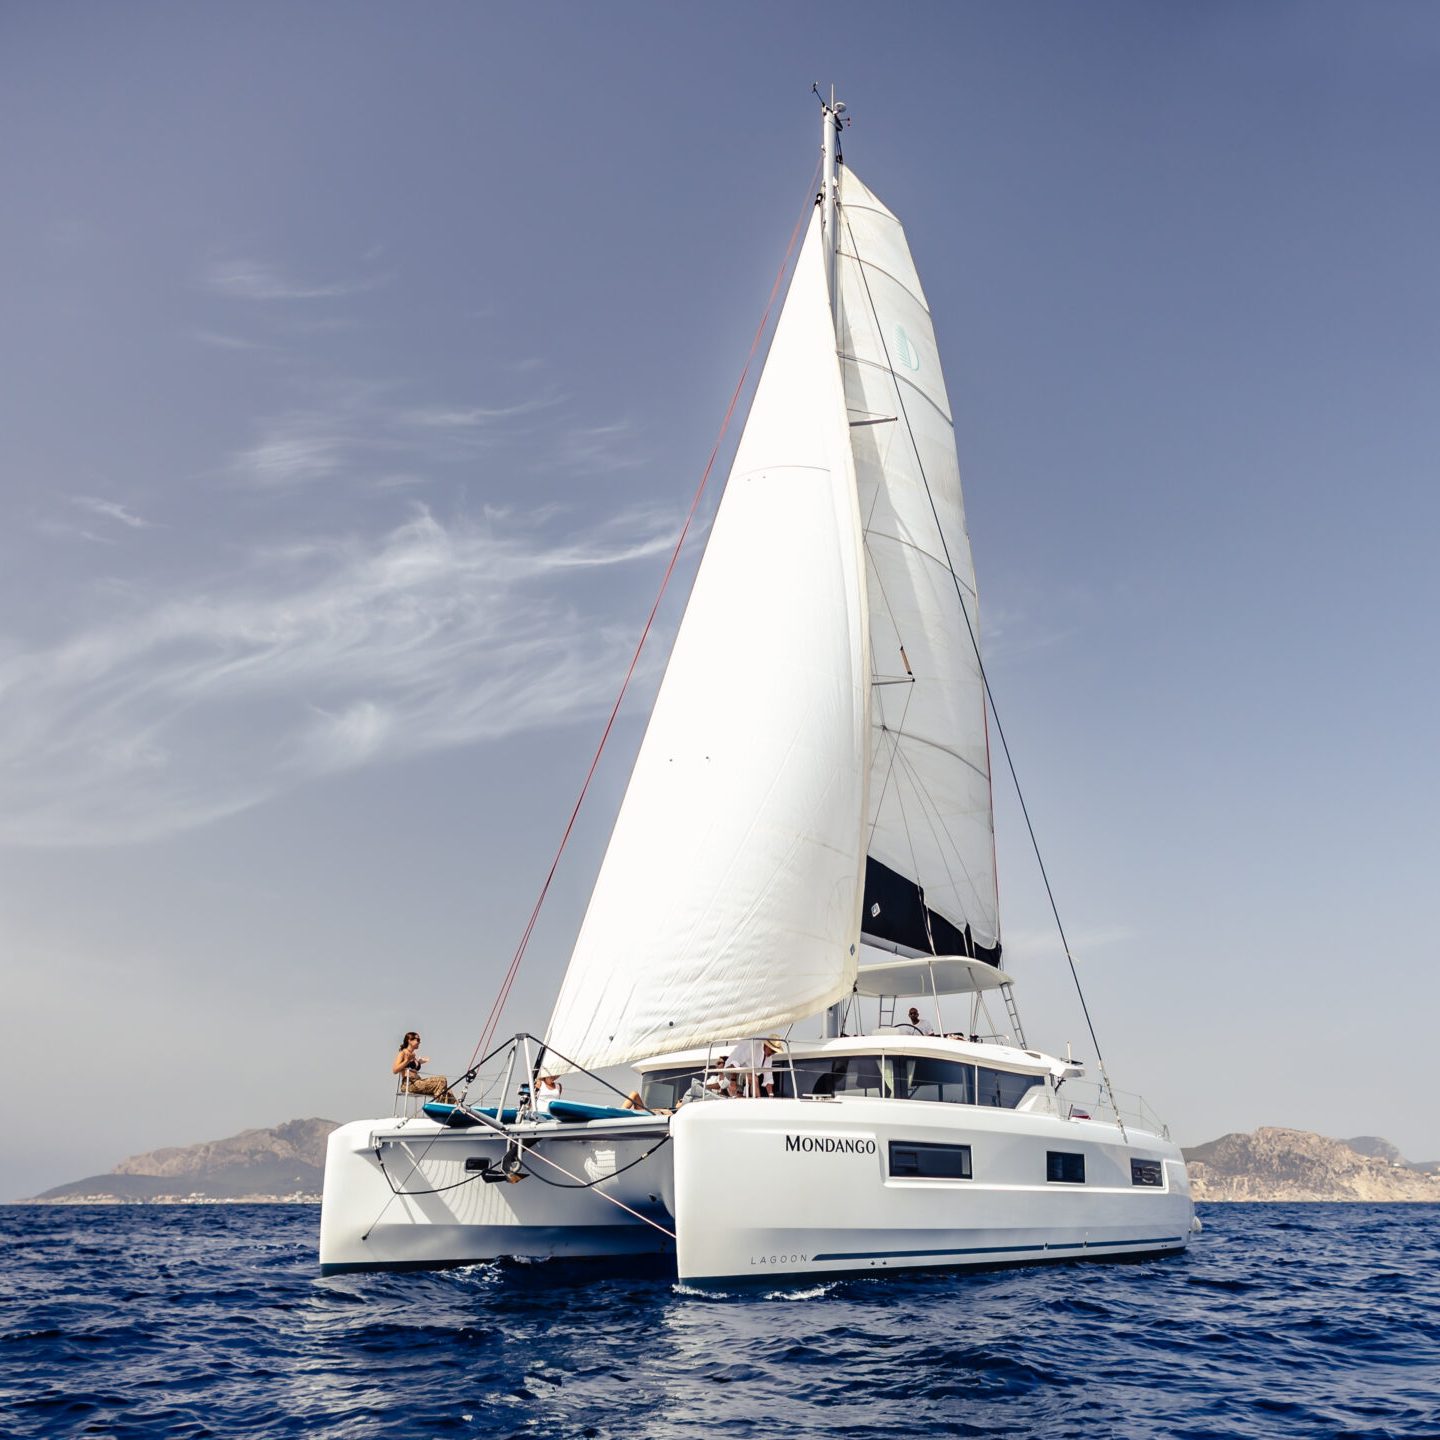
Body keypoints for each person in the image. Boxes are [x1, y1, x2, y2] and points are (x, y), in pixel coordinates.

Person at [393, 1031, 455, 1105]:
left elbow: (412, 1067)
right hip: (409, 1084)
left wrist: (419, 1062)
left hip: (418, 1082)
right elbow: (395, 1070)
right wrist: (407, 1060)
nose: (419, 1042)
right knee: (442, 1080)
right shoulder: (403, 1053)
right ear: (409, 1040)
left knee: (448, 1091)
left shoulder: (413, 1055)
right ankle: (439, 1106)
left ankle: (457, 1109)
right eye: (418, 1040)